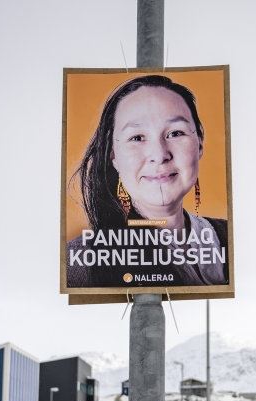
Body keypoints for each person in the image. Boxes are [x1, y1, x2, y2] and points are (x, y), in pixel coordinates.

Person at [67, 74, 229, 288]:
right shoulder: (80, 261)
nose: (160, 154)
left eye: (175, 133)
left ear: (199, 142)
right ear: (113, 154)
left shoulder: (230, 237)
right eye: (137, 137)